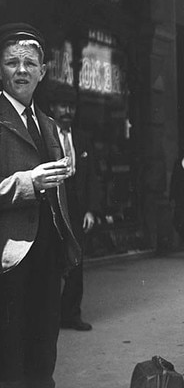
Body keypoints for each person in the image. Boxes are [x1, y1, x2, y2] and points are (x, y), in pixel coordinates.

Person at [0, 23, 81, 387]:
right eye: (12, 62)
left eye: (30, 63)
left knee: (43, 351)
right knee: (10, 356)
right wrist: (27, 183)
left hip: (47, 256)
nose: (21, 70)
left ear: (43, 71)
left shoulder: (47, 124)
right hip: (9, 258)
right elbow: (32, 183)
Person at [50, 92, 101, 332]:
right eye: (62, 105)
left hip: (77, 209)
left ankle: (72, 315)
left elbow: (92, 177)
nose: (67, 111)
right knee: (50, 263)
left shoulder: (82, 138)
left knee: (76, 262)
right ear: (53, 107)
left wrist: (90, 210)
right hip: (52, 208)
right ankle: (49, 318)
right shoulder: (45, 136)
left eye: (71, 106)